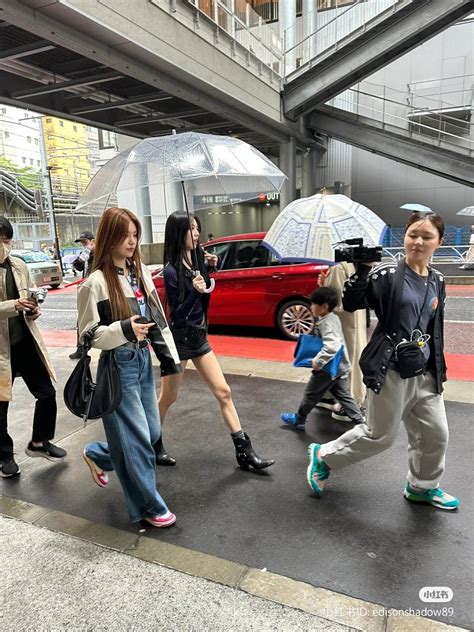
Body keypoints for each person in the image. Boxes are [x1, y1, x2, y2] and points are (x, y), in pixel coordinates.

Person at [306, 212, 459, 511]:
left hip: (424, 370)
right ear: (405, 237)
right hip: (391, 369)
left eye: (426, 236)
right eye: (413, 234)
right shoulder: (387, 274)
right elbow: (351, 304)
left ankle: (422, 487)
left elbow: (433, 328)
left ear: (438, 242)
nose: (418, 241)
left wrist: (437, 369)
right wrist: (362, 272)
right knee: (380, 436)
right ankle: (323, 456)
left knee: (435, 433)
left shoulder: (438, 280)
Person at [78, 207, 181, 528]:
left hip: (141, 362)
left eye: (135, 234)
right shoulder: (94, 283)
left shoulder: (140, 275)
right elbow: (87, 336)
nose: (132, 241)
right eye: (125, 235)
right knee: (137, 440)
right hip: (116, 366)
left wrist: (170, 360)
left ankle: (98, 453)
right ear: (109, 237)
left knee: (150, 434)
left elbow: (159, 321)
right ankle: (149, 506)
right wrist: (123, 329)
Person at [158, 211, 274, 471]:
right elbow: (176, 315)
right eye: (191, 229)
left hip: (200, 336)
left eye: (198, 228)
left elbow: (205, 295)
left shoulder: (198, 258)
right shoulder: (171, 271)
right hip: (179, 340)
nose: (196, 233)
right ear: (178, 234)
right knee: (168, 397)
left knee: (224, 392)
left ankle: (244, 452)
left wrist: (211, 268)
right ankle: (153, 444)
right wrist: (193, 291)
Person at [0, 217, 66, 478]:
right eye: (2, 241)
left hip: (25, 342)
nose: (7, 246)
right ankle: (4, 456)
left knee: (46, 393)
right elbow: (14, 303)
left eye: (8, 240)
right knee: (1, 406)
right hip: (2, 349)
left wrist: (32, 309)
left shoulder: (18, 264)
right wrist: (13, 305)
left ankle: (40, 441)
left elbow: (28, 294)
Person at [280, 287, 365, 432]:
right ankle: (360, 422)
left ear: (324, 307)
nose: (311, 307)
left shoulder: (326, 323)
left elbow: (332, 345)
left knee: (311, 394)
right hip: (340, 367)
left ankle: (299, 420)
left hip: (327, 368)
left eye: (313, 304)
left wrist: (318, 361)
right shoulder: (332, 318)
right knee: (344, 396)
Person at [320, 262, 368, 420]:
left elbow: (337, 303)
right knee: (351, 360)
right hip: (353, 322)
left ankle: (349, 405)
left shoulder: (338, 267)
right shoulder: (358, 265)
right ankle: (334, 397)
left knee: (346, 362)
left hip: (343, 325)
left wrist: (323, 290)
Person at [69, 231, 95, 360]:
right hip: (86, 289)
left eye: (85, 242)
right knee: (81, 319)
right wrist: (86, 251)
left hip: (96, 289)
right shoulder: (86, 254)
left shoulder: (99, 252)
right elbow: (78, 265)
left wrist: (90, 251)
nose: (84, 245)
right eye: (82, 243)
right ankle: (81, 348)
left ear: (92, 241)